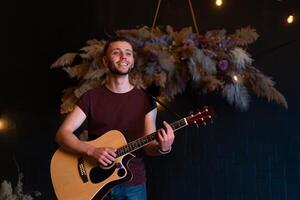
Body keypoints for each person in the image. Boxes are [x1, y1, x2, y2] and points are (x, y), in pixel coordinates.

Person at [55, 36, 175, 200]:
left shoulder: (146, 101)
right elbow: (63, 134)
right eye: (116, 53)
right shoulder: (91, 97)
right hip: (94, 184)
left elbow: (148, 147)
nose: (124, 57)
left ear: (132, 62)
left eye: (128, 53)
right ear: (105, 61)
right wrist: (91, 150)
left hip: (133, 186)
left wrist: (163, 147)